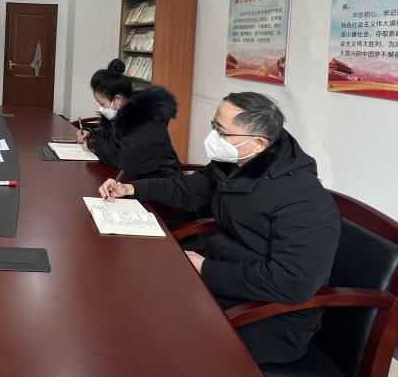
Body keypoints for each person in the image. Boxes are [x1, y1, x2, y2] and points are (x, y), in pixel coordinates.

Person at [98, 92, 340, 365]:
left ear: (258, 142)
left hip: (267, 316)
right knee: (132, 292)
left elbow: (291, 283)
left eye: (222, 132)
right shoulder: (240, 161)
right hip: (224, 280)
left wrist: (206, 269)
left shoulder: (303, 199)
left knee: (154, 331)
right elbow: (188, 189)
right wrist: (132, 189)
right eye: (214, 126)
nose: (214, 137)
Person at [76, 58, 182, 180]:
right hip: (137, 179)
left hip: (163, 184)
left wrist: (94, 143)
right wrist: (90, 133)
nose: (100, 108)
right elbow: (111, 138)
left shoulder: (147, 122)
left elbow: (121, 159)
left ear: (118, 100)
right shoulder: (123, 116)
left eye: (102, 103)